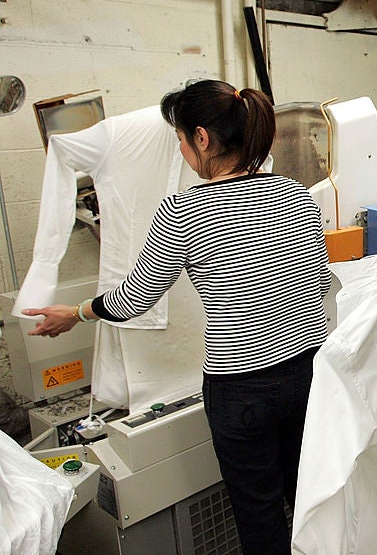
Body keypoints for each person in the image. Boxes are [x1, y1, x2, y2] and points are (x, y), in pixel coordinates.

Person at [23, 80, 331, 555]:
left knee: (259, 515)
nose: (184, 151)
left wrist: (77, 312)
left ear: (203, 139)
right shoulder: (296, 194)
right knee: (309, 497)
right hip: (306, 375)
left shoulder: (185, 208)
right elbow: (317, 282)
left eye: (183, 141)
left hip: (241, 389)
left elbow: (132, 300)